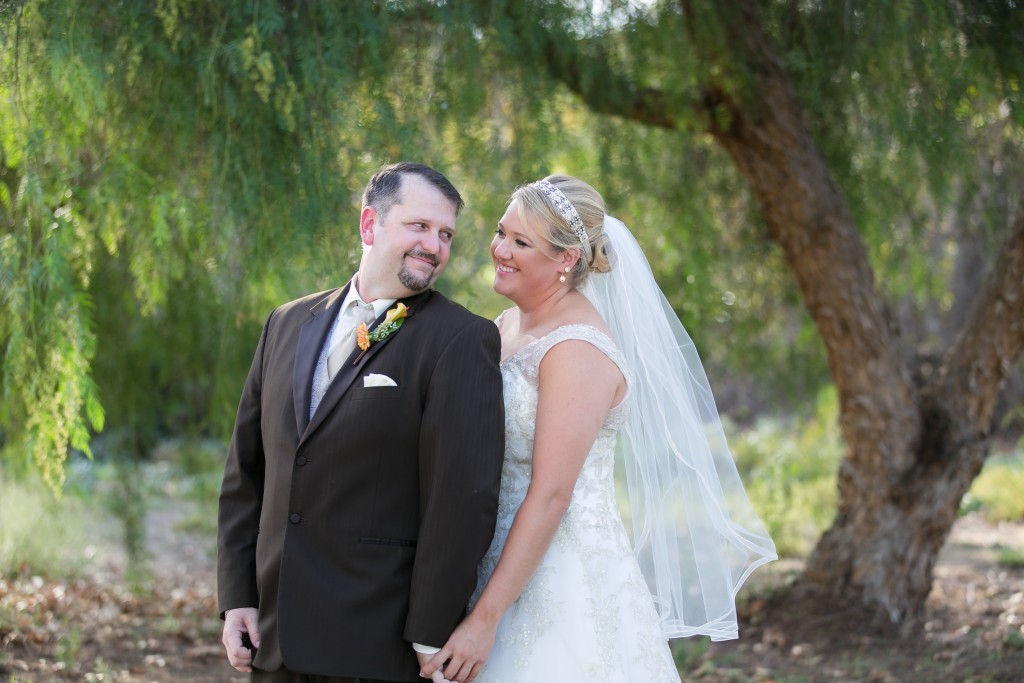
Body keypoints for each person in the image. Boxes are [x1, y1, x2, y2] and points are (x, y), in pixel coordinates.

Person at [421, 175, 777, 682]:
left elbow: (551, 494)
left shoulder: (578, 348)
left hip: (557, 582)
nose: (500, 248)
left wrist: (485, 619)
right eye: (502, 232)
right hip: (491, 560)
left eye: (521, 242)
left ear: (566, 260)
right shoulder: (506, 326)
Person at [217, 162, 505, 682]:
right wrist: (238, 595)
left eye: (445, 235)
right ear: (370, 225)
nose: (434, 246)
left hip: (376, 643)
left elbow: (462, 501)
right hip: (273, 636)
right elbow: (247, 472)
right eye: (418, 227)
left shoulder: (461, 340)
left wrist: (431, 632)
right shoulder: (285, 323)